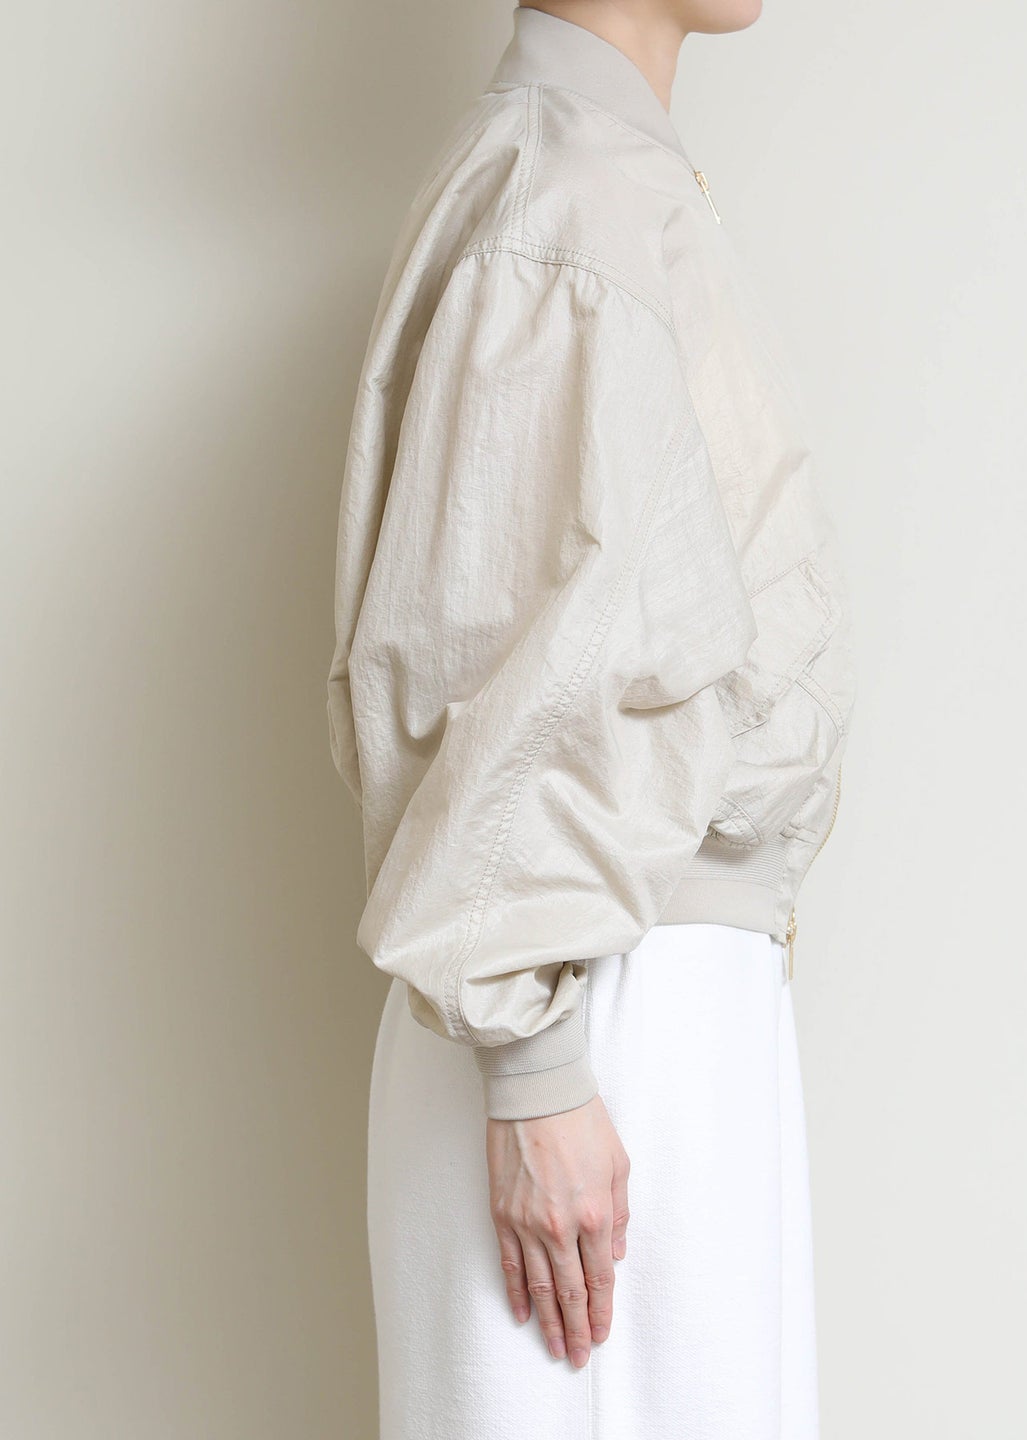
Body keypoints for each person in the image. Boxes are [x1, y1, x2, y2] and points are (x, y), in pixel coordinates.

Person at [326, 2, 856, 1436]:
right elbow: (492, 640)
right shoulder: (572, 202)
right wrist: (534, 1067)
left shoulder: (603, 180)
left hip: (627, 998)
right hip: (589, 1009)